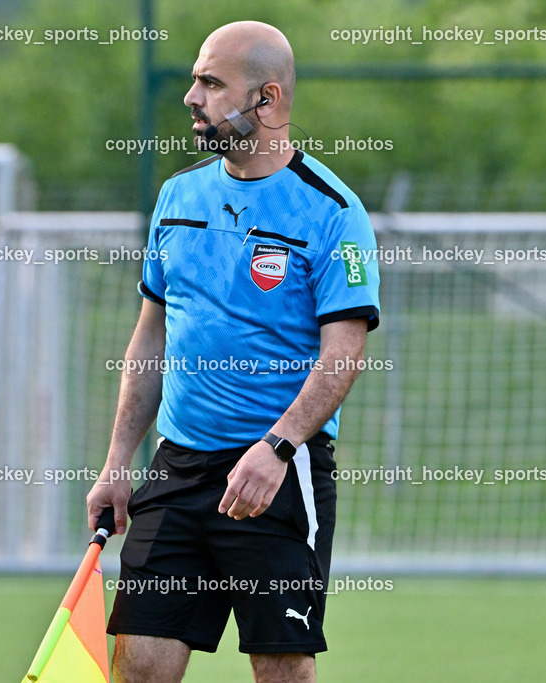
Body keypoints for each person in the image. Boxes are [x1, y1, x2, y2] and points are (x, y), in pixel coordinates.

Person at [87, 20, 381, 683]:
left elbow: (342, 354)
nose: (192, 96)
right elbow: (150, 338)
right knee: (137, 667)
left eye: (212, 83)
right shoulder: (177, 198)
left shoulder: (332, 212)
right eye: (194, 78)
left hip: (278, 470)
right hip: (178, 469)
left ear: (267, 100)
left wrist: (277, 447)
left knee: (281, 667)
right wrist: (115, 462)